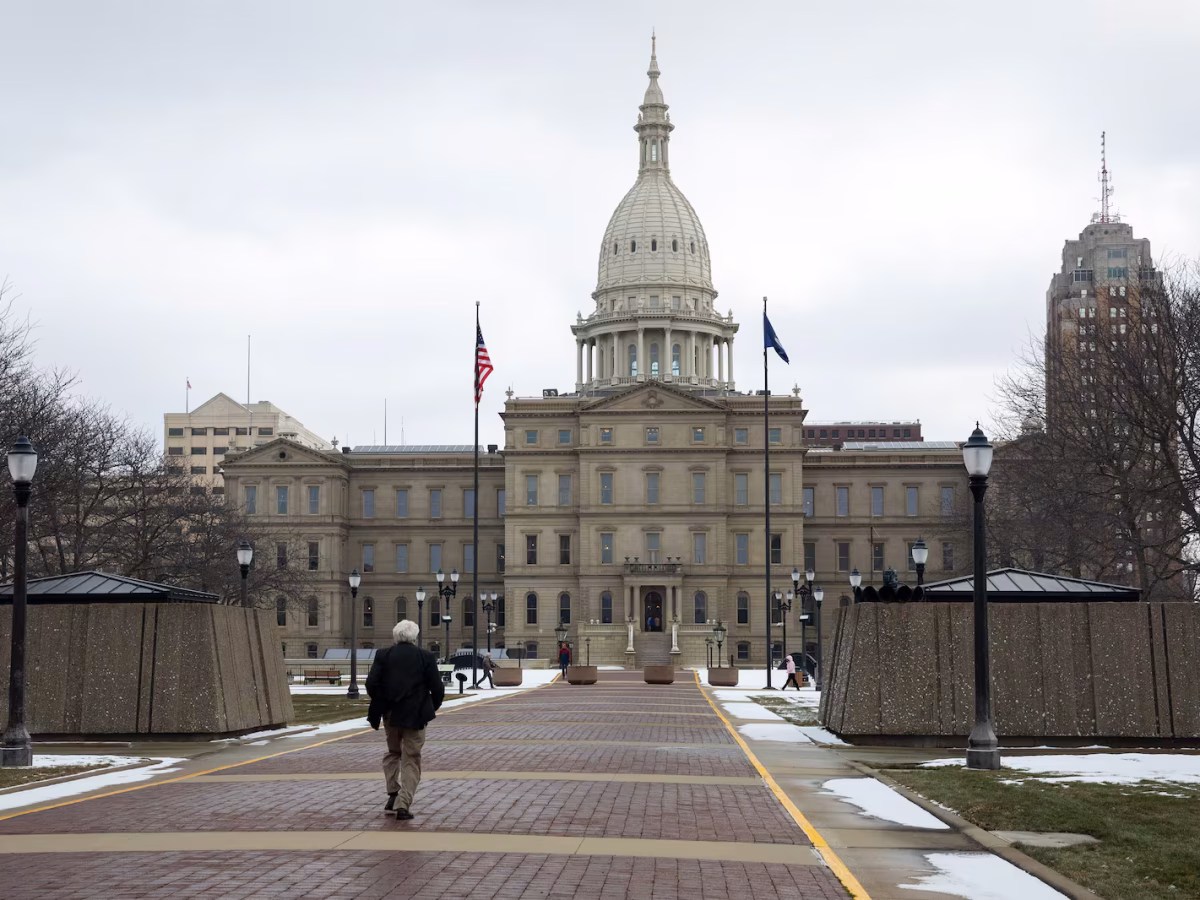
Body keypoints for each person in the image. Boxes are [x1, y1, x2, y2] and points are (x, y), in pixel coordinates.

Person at [366, 619, 444, 820]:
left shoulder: (383, 655)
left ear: (396, 636)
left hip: (390, 715)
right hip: (416, 715)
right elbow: (437, 688)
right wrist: (430, 707)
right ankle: (403, 803)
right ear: (414, 637)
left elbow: (371, 684)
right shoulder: (425, 657)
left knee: (393, 753)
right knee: (411, 757)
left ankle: (393, 793)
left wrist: (383, 702)